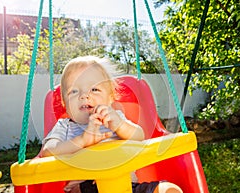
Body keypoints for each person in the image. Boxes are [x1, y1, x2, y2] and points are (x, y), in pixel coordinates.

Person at [40, 56, 183, 193]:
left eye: (94, 89)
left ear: (110, 99)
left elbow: (139, 136)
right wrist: (82, 140)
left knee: (168, 190)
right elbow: (48, 151)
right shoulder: (65, 126)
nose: (84, 95)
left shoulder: (114, 119)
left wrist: (120, 126)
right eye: (74, 91)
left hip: (127, 186)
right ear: (65, 103)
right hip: (86, 187)